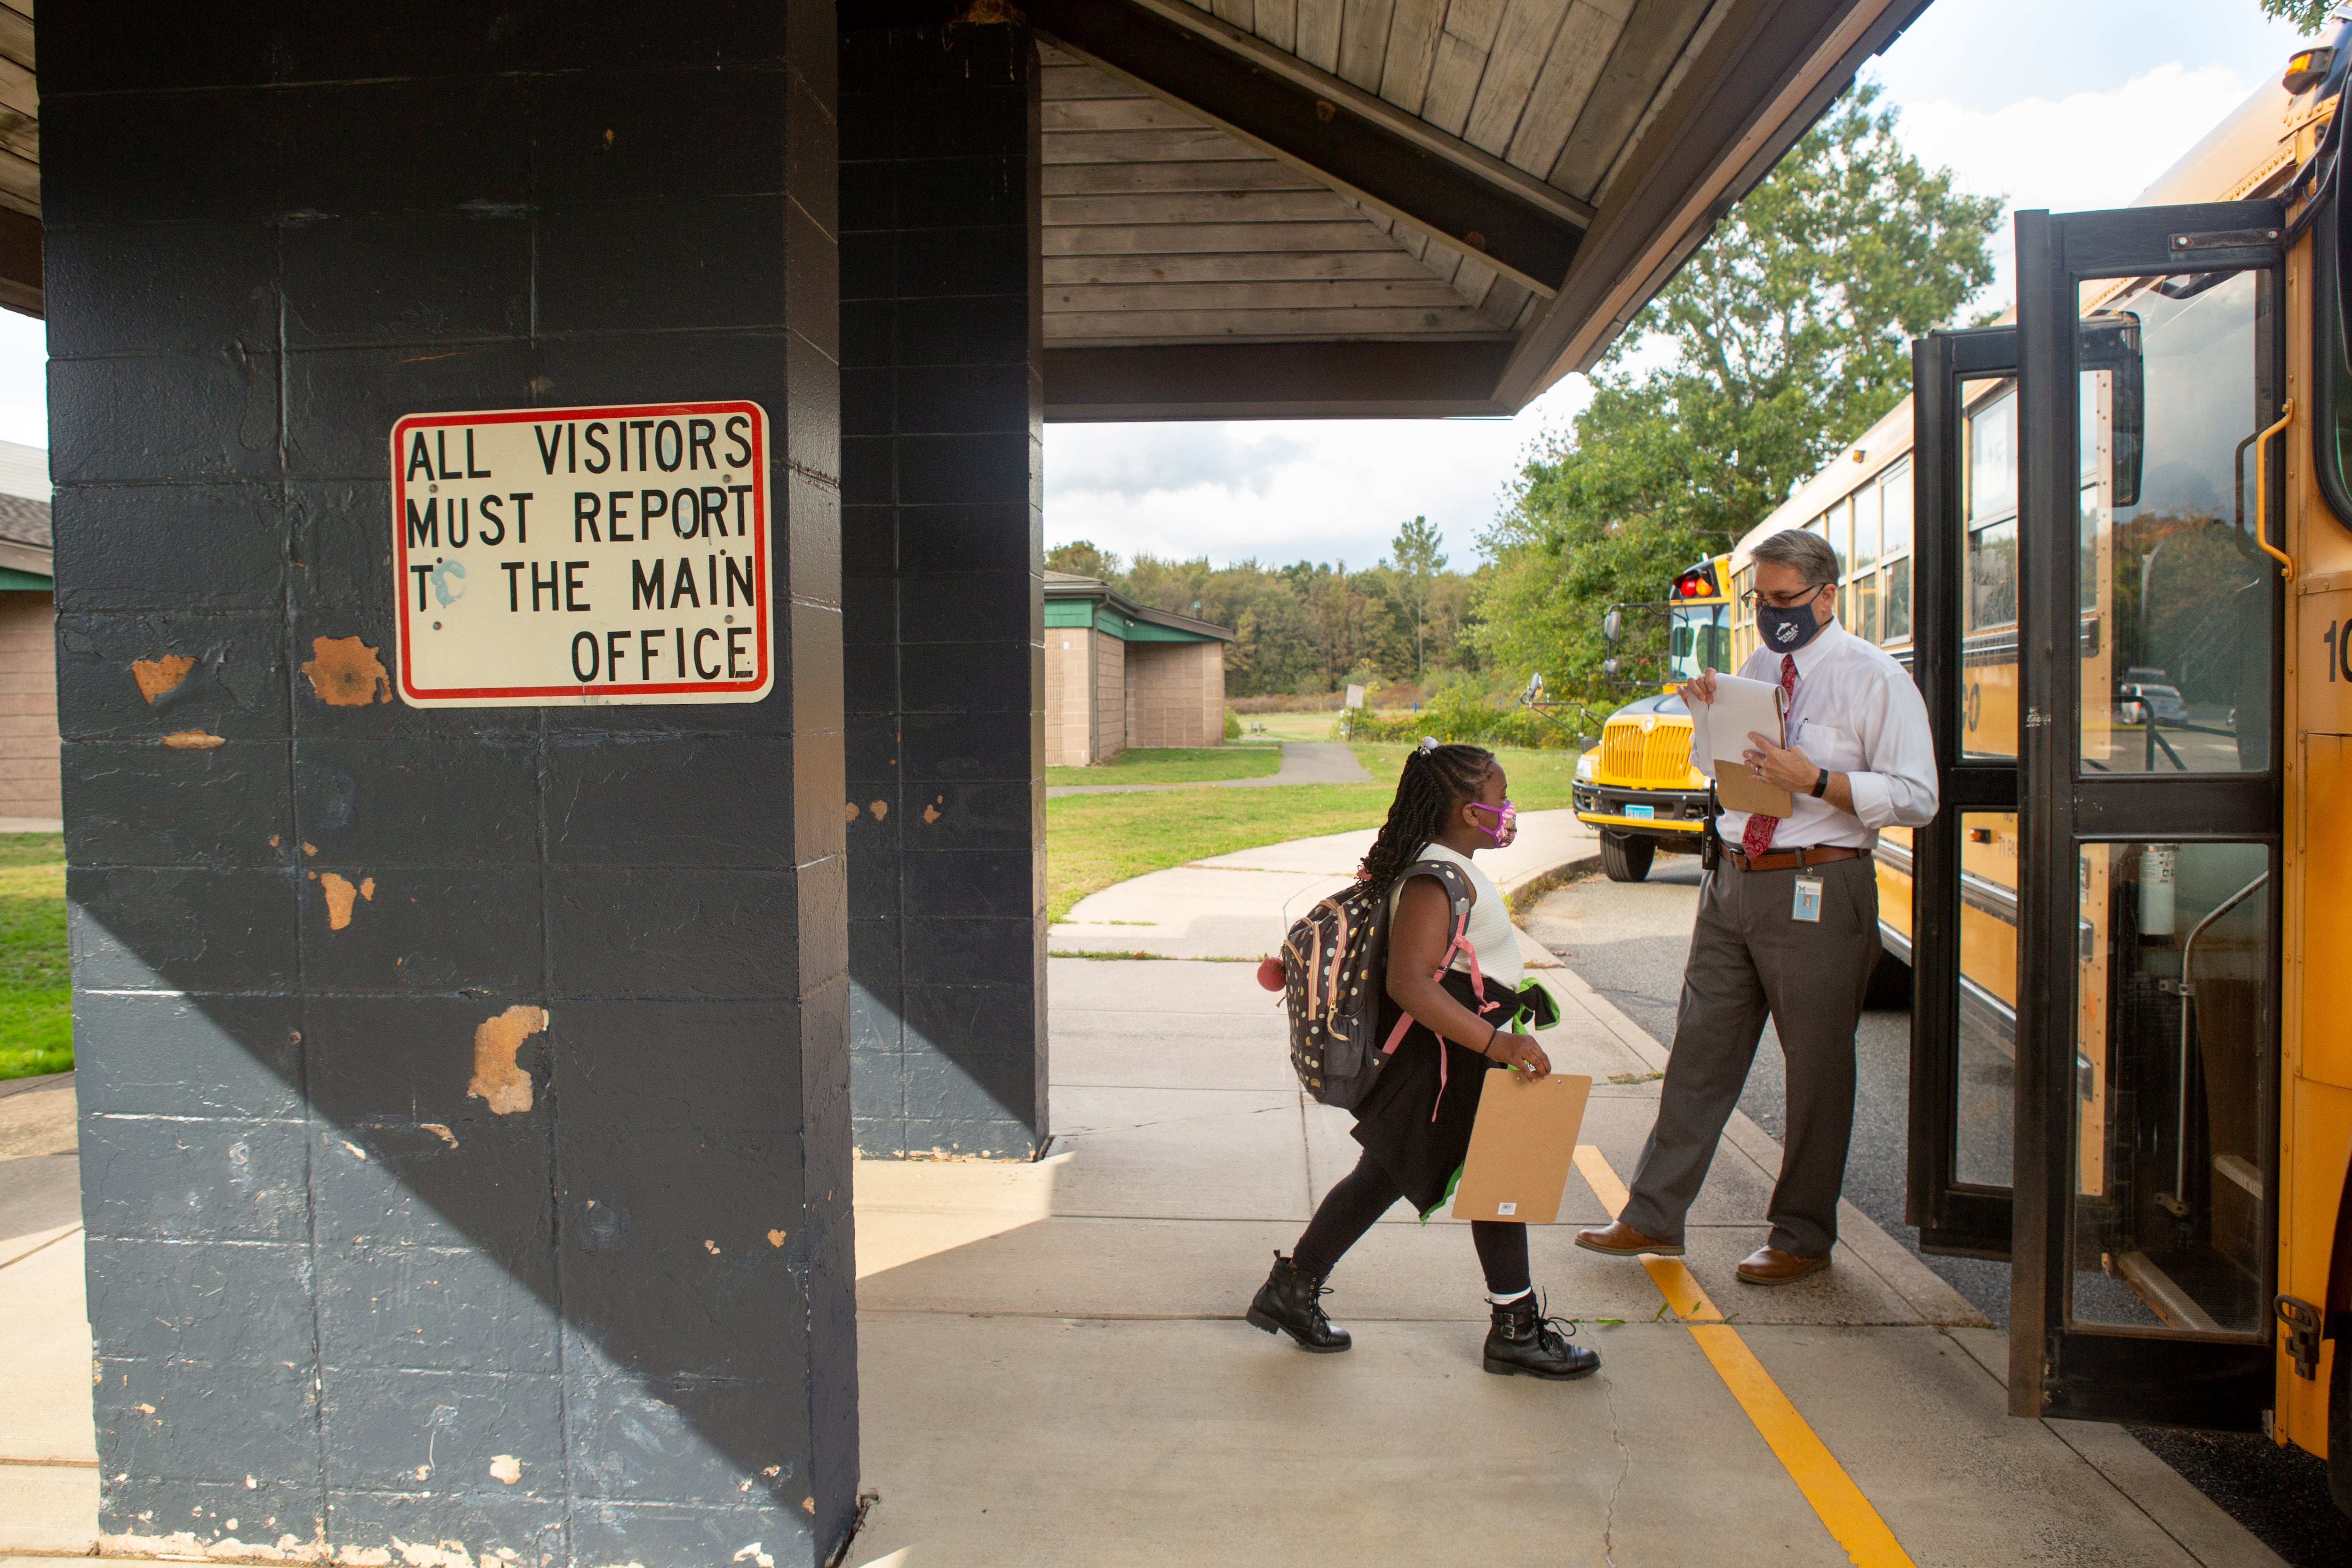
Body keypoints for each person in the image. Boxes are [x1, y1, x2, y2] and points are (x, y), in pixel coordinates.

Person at [1576, 529, 1937, 1285]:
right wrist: (1704, 714)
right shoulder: (1756, 668)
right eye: (1761, 601)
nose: (1771, 615)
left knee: (1815, 1068)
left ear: (1826, 595)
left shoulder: (1875, 679)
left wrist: (1821, 779)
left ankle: (1802, 1234)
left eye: (1785, 601)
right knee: (1700, 1049)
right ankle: (1652, 1214)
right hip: (1734, 878)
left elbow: (1919, 796)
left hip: (1818, 885)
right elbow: (1725, 766)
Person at [1246, 740, 1600, 1379]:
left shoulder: (1445, 866)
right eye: (1500, 797)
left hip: (1452, 1053)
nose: (1508, 808)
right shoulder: (1436, 879)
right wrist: (1500, 1043)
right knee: (1496, 1180)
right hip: (1454, 1057)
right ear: (1469, 811)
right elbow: (1411, 982)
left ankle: (1293, 1287)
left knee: (1394, 1174)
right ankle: (1514, 1329)